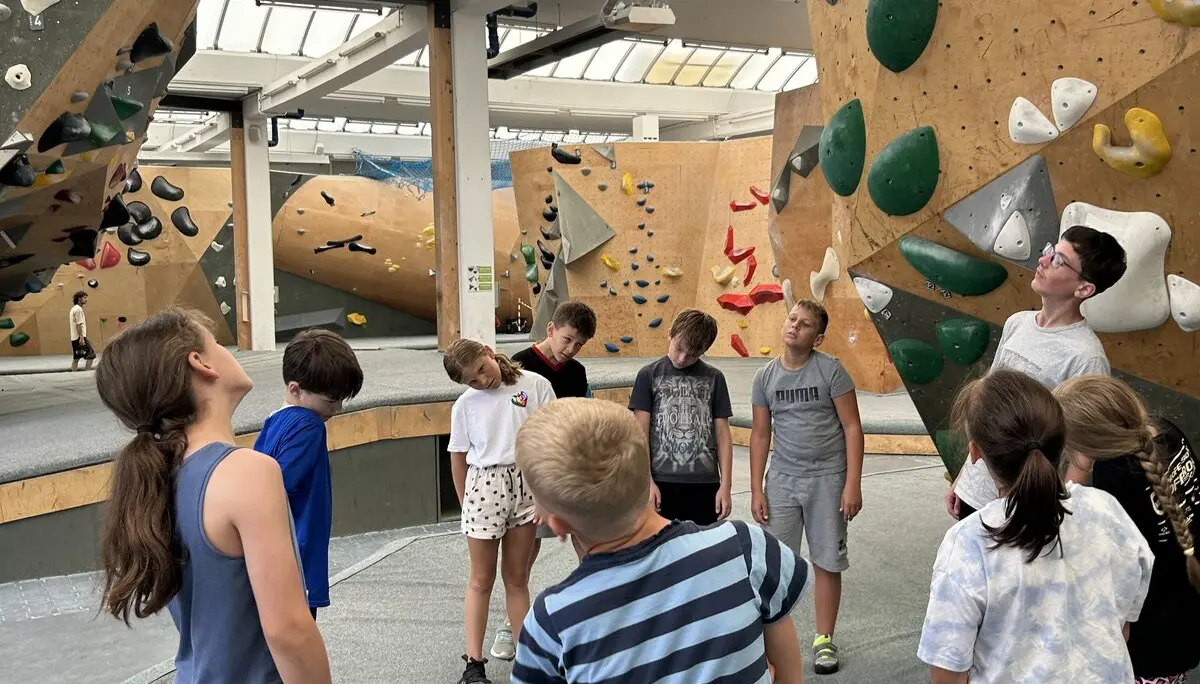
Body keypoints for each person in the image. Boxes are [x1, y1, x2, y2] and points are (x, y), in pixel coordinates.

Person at [94, 308, 330, 684]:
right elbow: (288, 631)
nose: (225, 349)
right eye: (217, 342)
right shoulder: (246, 472)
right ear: (201, 363)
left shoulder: (160, 477)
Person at [511, 398, 812, 684]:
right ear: (648, 476)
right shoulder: (745, 549)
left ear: (558, 526)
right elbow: (788, 674)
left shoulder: (553, 622)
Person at [918, 370, 1153, 684]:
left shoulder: (969, 543)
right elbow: (1123, 621)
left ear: (975, 452)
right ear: (1062, 441)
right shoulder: (1105, 508)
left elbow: (947, 673)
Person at [947, 225, 1127, 520]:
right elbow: (985, 410)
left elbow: (1082, 457)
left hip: (1024, 504)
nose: (1043, 260)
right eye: (1050, 251)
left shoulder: (1087, 357)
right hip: (974, 491)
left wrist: (1057, 516)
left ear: (1083, 289)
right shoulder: (1016, 322)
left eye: (1058, 260)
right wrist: (963, 477)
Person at [1054, 375, 1200, 684]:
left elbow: (1110, 569)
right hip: (1184, 604)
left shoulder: (1115, 474)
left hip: (1150, 639)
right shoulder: (1164, 432)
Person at [750, 300, 864, 675]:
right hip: (782, 481)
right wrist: (756, 488)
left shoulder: (831, 371)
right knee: (774, 564)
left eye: (805, 324)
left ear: (818, 338)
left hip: (828, 479)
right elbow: (761, 434)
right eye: (792, 319)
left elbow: (852, 427)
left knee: (826, 560)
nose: (795, 326)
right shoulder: (765, 377)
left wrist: (852, 484)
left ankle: (823, 639)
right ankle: (770, 641)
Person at [443, 338, 556, 684]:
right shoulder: (465, 405)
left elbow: (551, 441)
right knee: (481, 579)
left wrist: (545, 494)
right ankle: (473, 664)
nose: (482, 380)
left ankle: (528, 660)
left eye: (482, 369)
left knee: (517, 578)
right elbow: (458, 456)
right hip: (484, 486)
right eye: (472, 380)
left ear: (488, 353)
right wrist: (466, 503)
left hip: (526, 482)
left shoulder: (535, 385)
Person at [489, 300, 596, 661]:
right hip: (528, 476)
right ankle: (511, 623)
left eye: (579, 344)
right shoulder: (518, 365)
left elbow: (581, 418)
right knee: (525, 552)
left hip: (569, 471)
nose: (571, 349)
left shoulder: (577, 372)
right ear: (551, 329)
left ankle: (598, 617)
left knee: (588, 542)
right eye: (567, 339)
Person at [253, 328, 364, 620]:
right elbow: (276, 488)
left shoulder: (274, 422)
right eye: (331, 400)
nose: (338, 408)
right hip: (295, 562)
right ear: (295, 389)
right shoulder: (308, 425)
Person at [629, 308, 733, 526]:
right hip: (661, 482)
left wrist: (726, 486)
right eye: (679, 348)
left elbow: (723, 434)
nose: (683, 358)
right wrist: (647, 482)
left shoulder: (715, 378)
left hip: (704, 483)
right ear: (670, 333)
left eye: (693, 355)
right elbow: (639, 434)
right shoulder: (648, 375)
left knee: (703, 543)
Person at [69, 291, 96, 372]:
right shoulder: (78, 309)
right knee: (91, 355)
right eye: (84, 297)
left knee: (76, 358)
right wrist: (81, 338)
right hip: (79, 337)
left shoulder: (73, 309)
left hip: (74, 338)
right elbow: (79, 324)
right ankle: (86, 373)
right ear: (79, 298)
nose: (86, 299)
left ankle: (73, 374)